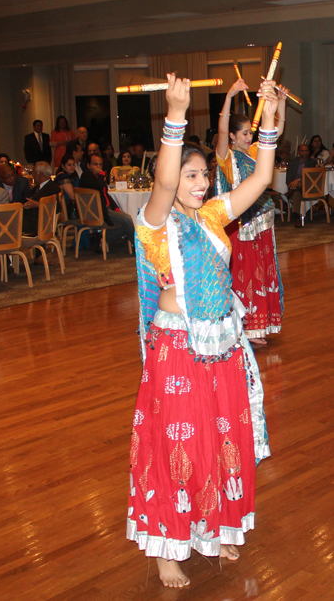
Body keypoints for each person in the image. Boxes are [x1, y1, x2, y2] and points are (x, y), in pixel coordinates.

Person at [128, 74, 275, 588]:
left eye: (204, 175)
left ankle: (215, 528)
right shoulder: (155, 221)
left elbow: (257, 183)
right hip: (177, 348)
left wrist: (270, 129)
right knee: (177, 444)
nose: (199, 183)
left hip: (224, 344)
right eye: (191, 176)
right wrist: (175, 114)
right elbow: (164, 185)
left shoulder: (213, 214)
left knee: (224, 436)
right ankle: (168, 547)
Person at [216, 78, 286, 345]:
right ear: (233, 136)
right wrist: (229, 95)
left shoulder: (257, 151)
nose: (249, 137)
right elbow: (222, 133)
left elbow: (277, 130)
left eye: (250, 132)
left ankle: (258, 327)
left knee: (262, 272)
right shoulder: (227, 158)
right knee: (244, 276)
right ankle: (243, 328)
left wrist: (279, 101)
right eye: (244, 133)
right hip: (241, 228)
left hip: (263, 224)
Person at [79, 153, 135, 250]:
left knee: (126, 223)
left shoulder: (97, 177)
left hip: (105, 209)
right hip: (96, 212)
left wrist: (116, 208)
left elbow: (106, 194)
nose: (98, 167)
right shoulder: (86, 176)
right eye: (95, 164)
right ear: (88, 165)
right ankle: (137, 247)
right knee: (127, 219)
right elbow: (99, 186)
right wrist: (101, 175)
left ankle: (100, 239)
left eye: (100, 164)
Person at [23, 161, 61, 238]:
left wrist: (37, 204)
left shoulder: (53, 187)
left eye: (33, 172)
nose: (32, 175)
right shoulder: (37, 187)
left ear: (39, 173)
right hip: (31, 218)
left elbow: (57, 207)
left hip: (41, 222)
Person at [285, 144, 317, 227]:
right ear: (299, 152)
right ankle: (297, 218)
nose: (304, 152)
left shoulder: (312, 162)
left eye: (306, 150)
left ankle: (291, 191)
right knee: (296, 194)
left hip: (307, 187)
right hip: (297, 188)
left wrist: (298, 180)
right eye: (302, 151)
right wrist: (293, 183)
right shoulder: (293, 163)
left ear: (309, 151)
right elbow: (288, 179)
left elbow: (310, 178)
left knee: (298, 186)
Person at [55, 154, 79, 218]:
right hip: (67, 208)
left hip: (76, 204)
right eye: (69, 165)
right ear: (63, 166)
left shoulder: (73, 174)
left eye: (73, 164)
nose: (72, 167)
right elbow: (72, 196)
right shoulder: (62, 176)